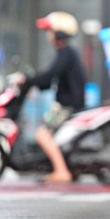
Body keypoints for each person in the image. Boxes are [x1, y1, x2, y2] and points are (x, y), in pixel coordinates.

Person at [16, 11, 86, 183]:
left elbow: (50, 75)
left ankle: (61, 171)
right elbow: (49, 80)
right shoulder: (67, 53)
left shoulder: (66, 53)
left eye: (50, 31)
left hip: (67, 105)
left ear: (59, 32)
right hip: (69, 103)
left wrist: (29, 80)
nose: (49, 35)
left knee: (42, 134)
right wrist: (36, 82)